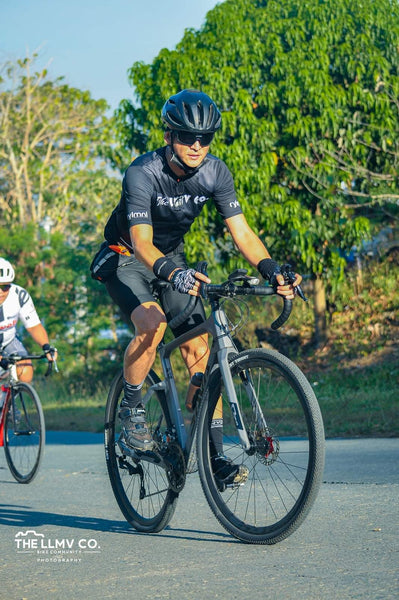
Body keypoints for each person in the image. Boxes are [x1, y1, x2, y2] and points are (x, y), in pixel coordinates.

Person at [91, 89, 302, 488]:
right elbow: (141, 243)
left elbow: (242, 232)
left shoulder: (216, 173)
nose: (197, 146)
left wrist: (272, 268)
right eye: (188, 137)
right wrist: (174, 273)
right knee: (151, 325)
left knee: (201, 354)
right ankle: (132, 410)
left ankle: (215, 455)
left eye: (205, 138)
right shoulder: (143, 172)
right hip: (127, 258)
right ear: (169, 135)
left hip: (171, 258)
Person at [0, 258, 57, 385]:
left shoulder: (19, 295)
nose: (1, 292)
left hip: (8, 341)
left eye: (5, 286)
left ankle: (7, 403)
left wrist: (46, 347)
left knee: (25, 371)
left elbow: (34, 326)